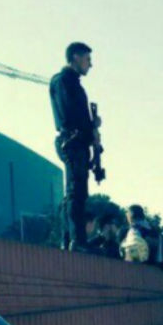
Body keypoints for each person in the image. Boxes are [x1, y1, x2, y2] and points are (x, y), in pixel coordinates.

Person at [50, 42, 99, 252]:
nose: (90, 64)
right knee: (74, 192)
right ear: (76, 57)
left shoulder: (73, 83)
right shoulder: (64, 81)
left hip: (77, 142)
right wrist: (91, 127)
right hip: (72, 141)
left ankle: (74, 239)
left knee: (78, 192)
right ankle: (74, 240)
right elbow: (70, 115)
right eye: (87, 59)